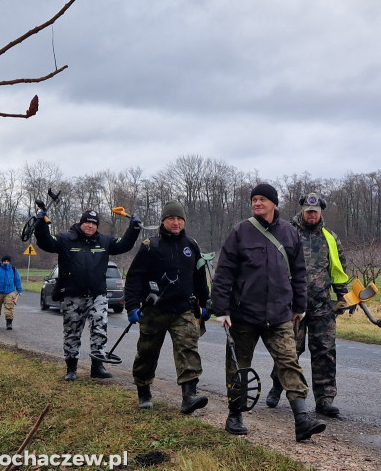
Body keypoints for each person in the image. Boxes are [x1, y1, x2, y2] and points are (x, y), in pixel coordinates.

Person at [210, 183, 326, 442]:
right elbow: (223, 273)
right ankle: (235, 414)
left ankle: (301, 419)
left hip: (279, 314)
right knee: (239, 366)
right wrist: (221, 309)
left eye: (262, 199)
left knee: (289, 362)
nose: (257, 203)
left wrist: (299, 306)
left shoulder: (289, 233)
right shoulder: (240, 232)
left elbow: (299, 273)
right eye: (254, 199)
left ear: (274, 203)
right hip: (243, 314)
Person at [266, 192, 350, 417]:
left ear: (320, 212)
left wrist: (344, 297)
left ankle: (324, 399)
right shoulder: (288, 233)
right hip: (293, 306)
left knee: (325, 351)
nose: (311, 215)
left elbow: (338, 270)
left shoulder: (330, 238)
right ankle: (277, 386)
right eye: (308, 211)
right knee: (289, 350)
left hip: (323, 306)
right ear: (302, 211)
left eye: (315, 212)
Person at [34, 208, 142, 381]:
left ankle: (97, 367)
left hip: (98, 294)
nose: (90, 225)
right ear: (81, 222)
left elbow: (124, 245)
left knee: (100, 329)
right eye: (87, 222)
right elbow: (46, 243)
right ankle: (71, 368)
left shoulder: (104, 241)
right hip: (72, 295)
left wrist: (134, 229)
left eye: (94, 223)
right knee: (72, 332)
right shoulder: (66, 239)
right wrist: (40, 225)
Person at [125, 200, 210, 414]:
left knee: (188, 350)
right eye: (171, 218)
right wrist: (132, 306)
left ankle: (189, 396)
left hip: (183, 309)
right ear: (163, 221)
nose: (176, 222)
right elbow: (134, 278)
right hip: (154, 310)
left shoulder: (191, 245)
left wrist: (205, 303)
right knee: (147, 352)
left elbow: (200, 278)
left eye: (179, 218)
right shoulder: (150, 246)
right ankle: (143, 390)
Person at [0, 256, 23, 330]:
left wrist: (19, 290)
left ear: (9, 262)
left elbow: (17, 280)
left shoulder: (13, 269)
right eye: (4, 261)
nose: (6, 262)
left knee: (9, 307)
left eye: (7, 261)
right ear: (2, 261)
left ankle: (9, 323)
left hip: (9, 291)